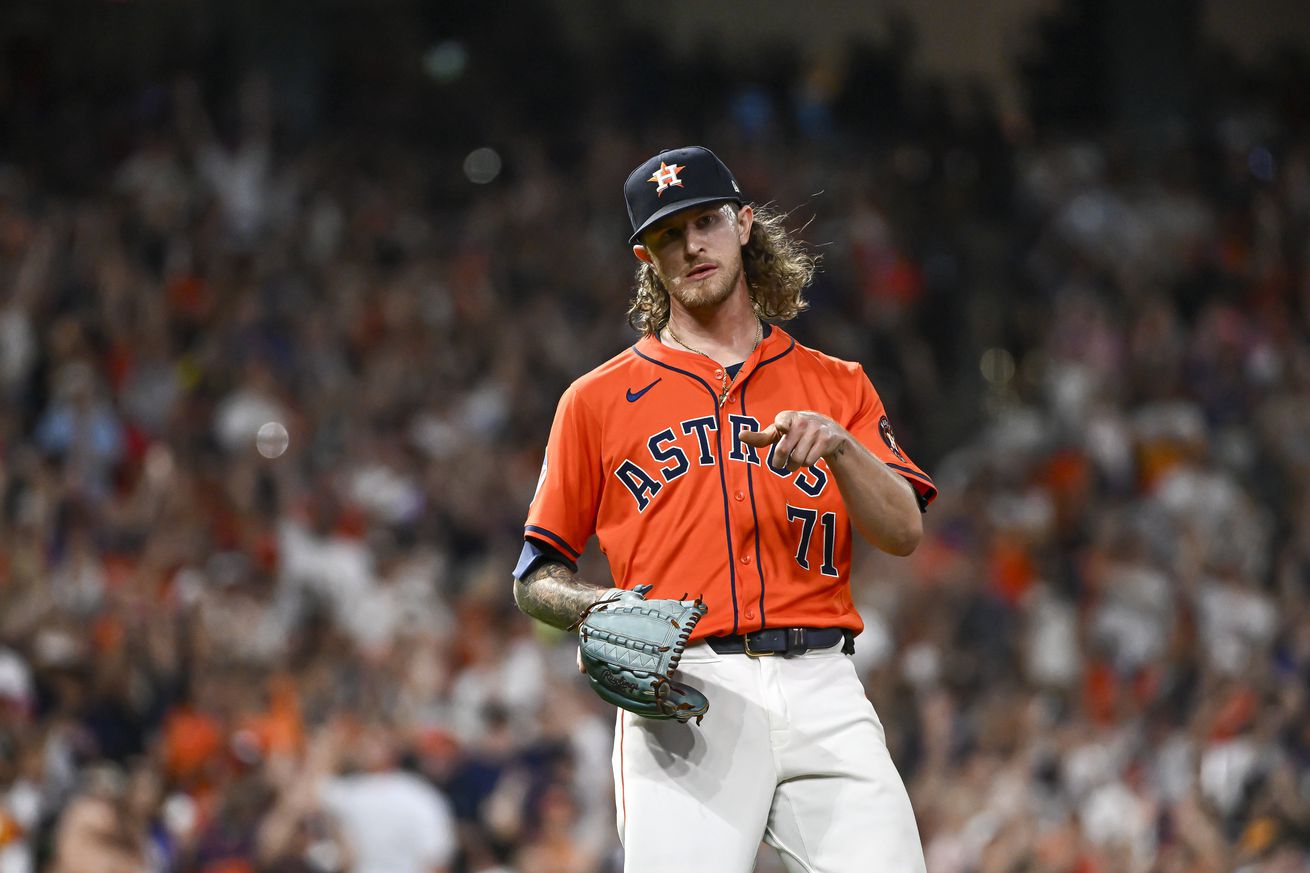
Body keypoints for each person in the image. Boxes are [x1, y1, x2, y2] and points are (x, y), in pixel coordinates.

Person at [512, 146, 937, 873]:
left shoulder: (837, 385)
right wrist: (595, 605)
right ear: (647, 257)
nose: (692, 246)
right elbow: (535, 576)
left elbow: (902, 531)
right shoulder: (594, 401)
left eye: (705, 221)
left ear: (744, 224)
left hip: (823, 684)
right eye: (668, 236)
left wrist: (841, 447)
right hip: (687, 693)